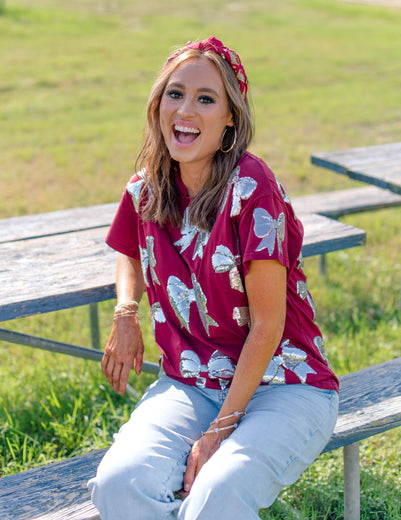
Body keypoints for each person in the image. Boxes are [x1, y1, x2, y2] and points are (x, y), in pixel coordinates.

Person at [88, 36, 339, 519]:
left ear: (230, 119)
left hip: (285, 383)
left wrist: (218, 433)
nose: (186, 110)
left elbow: (267, 327)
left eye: (206, 99)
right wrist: (125, 312)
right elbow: (129, 249)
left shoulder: (253, 189)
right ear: (158, 102)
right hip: (191, 381)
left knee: (215, 499)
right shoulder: (145, 188)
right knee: (119, 487)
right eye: (175, 93)